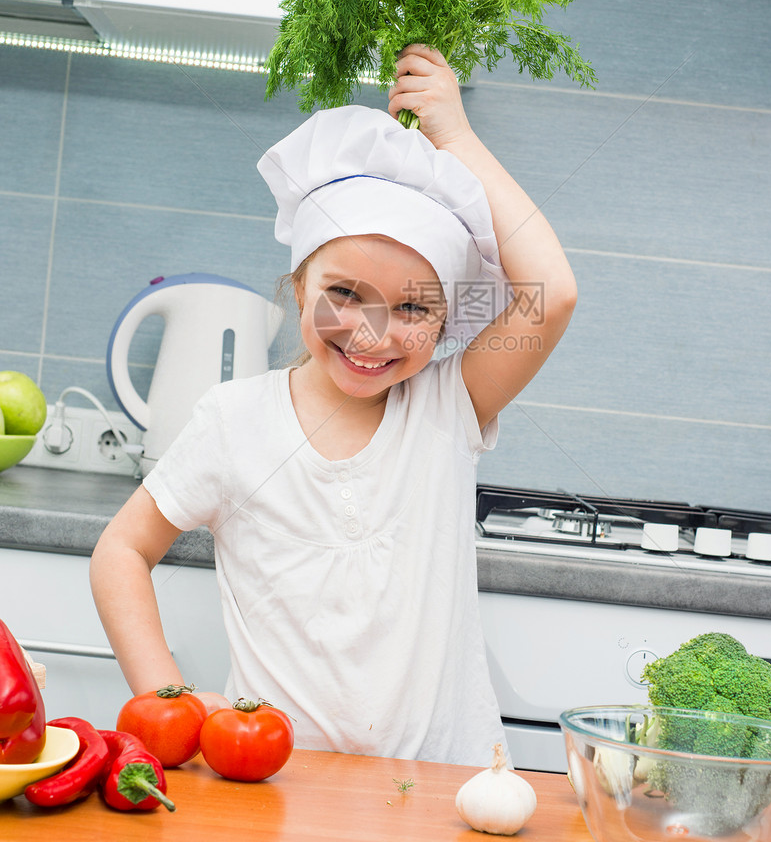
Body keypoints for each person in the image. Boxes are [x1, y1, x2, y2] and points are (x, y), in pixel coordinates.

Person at [90, 44, 577, 765]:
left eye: (413, 307)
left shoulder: (448, 404)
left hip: (445, 785)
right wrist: (171, 705)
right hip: (275, 786)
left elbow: (553, 292)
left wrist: (458, 139)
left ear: (447, 327)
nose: (370, 333)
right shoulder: (233, 420)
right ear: (296, 289)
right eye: (343, 294)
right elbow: (121, 552)